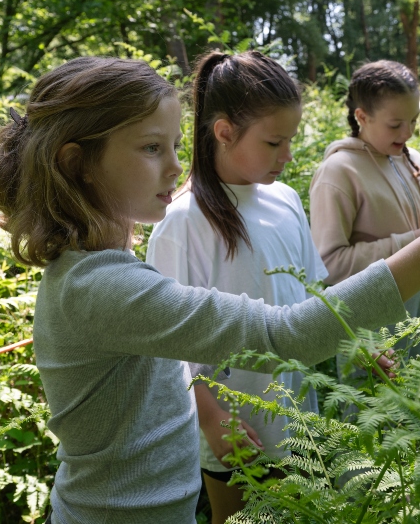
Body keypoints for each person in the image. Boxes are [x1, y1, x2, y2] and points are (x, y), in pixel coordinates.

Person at [0, 55, 420, 524]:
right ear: (78, 164)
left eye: (175, 144)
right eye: (151, 148)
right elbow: (287, 334)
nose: (176, 165)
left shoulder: (107, 270)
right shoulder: (99, 287)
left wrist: (359, 340)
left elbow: (310, 292)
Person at [145, 51, 336, 524]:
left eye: (290, 140)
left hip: (298, 418)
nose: (288, 156)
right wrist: (210, 418)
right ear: (225, 131)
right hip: (233, 427)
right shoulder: (181, 221)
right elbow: (164, 343)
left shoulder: (286, 199)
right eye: (274, 142)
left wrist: (359, 342)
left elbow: (314, 294)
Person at [309, 60, 420, 368]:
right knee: (371, 414)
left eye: (414, 121)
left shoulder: (414, 160)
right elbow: (328, 265)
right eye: (395, 125)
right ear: (362, 117)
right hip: (371, 341)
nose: (407, 133)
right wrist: (414, 241)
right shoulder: (338, 172)